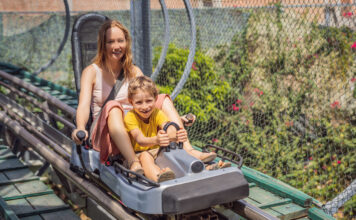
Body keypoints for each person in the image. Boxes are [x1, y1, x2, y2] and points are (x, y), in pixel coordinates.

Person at [71, 19, 216, 174]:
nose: (116, 46)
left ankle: (188, 149)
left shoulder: (134, 71)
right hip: (107, 131)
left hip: (136, 128)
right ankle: (133, 161)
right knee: (114, 106)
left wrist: (174, 118)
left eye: (120, 41)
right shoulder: (92, 72)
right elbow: (84, 105)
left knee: (162, 98)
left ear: (126, 43)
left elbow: (148, 101)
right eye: (110, 42)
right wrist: (80, 127)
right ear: (103, 45)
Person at [125, 76, 188, 182]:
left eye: (149, 101)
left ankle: (199, 168)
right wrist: (156, 140)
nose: (145, 107)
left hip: (157, 150)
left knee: (175, 151)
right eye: (139, 102)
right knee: (145, 157)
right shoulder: (130, 117)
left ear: (155, 99)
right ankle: (158, 177)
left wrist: (177, 135)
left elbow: (168, 127)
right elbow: (140, 139)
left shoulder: (157, 113)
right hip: (138, 153)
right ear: (131, 102)